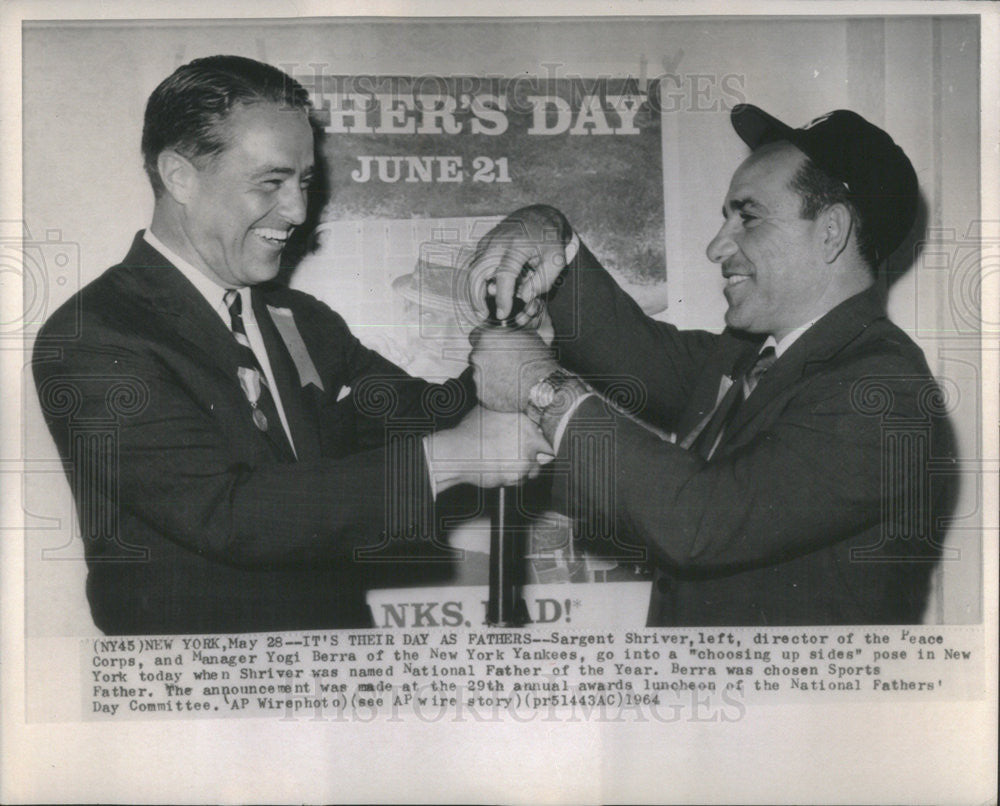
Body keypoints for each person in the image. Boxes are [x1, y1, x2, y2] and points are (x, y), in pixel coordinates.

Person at [32, 55, 550, 635]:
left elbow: (419, 416)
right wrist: (454, 456)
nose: (299, 211)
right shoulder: (95, 337)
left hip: (329, 673)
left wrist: (512, 340)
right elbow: (226, 514)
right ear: (179, 175)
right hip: (200, 693)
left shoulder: (302, 319)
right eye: (271, 183)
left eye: (303, 183)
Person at [467, 104, 957, 626]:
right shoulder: (752, 354)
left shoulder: (882, 391)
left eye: (747, 217)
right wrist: (550, 235)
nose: (716, 246)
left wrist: (540, 385)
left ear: (832, 231)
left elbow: (699, 523)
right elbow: (633, 349)